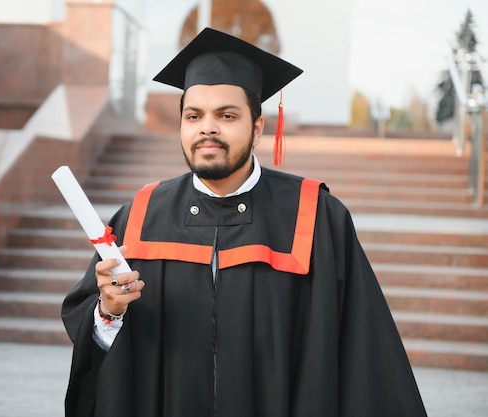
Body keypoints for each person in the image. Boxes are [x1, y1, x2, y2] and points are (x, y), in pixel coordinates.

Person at [61, 27, 427, 417]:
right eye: (194, 115)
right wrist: (109, 312)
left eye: (227, 115)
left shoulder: (317, 217)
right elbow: (95, 335)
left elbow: (363, 349)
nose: (207, 128)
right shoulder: (142, 214)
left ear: (257, 127)